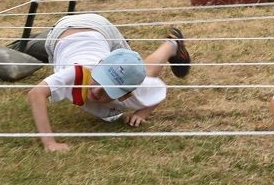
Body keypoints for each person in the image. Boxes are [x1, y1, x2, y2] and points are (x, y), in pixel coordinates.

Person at [27, 13, 191, 152]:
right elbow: (36, 93)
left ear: (125, 95)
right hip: (68, 30)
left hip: (96, 35)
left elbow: (159, 90)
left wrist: (141, 114)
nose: (96, 92)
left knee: (137, 71)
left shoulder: (131, 92)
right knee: (133, 69)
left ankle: (172, 44)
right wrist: (50, 143)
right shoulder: (75, 74)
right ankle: (170, 46)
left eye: (107, 91)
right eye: (99, 80)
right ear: (99, 65)